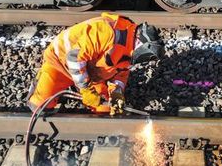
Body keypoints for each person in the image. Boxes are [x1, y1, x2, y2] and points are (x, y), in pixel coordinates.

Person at [27, 12, 163, 114]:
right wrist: (85, 89)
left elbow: (121, 74)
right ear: (140, 46)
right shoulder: (106, 32)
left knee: (105, 111)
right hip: (60, 63)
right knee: (39, 106)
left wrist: (117, 93)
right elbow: (74, 58)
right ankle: (42, 80)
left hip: (93, 74)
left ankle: (77, 86)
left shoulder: (129, 50)